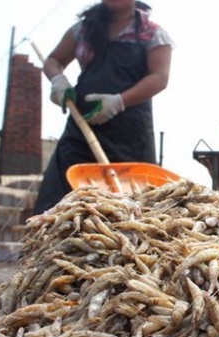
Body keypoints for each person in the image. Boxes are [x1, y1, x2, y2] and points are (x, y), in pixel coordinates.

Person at [35, 3, 172, 212]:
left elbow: (160, 77)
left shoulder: (152, 33)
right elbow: (53, 60)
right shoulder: (82, 30)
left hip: (131, 138)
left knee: (135, 210)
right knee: (57, 203)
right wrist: (58, 80)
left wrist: (119, 101)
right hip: (82, 131)